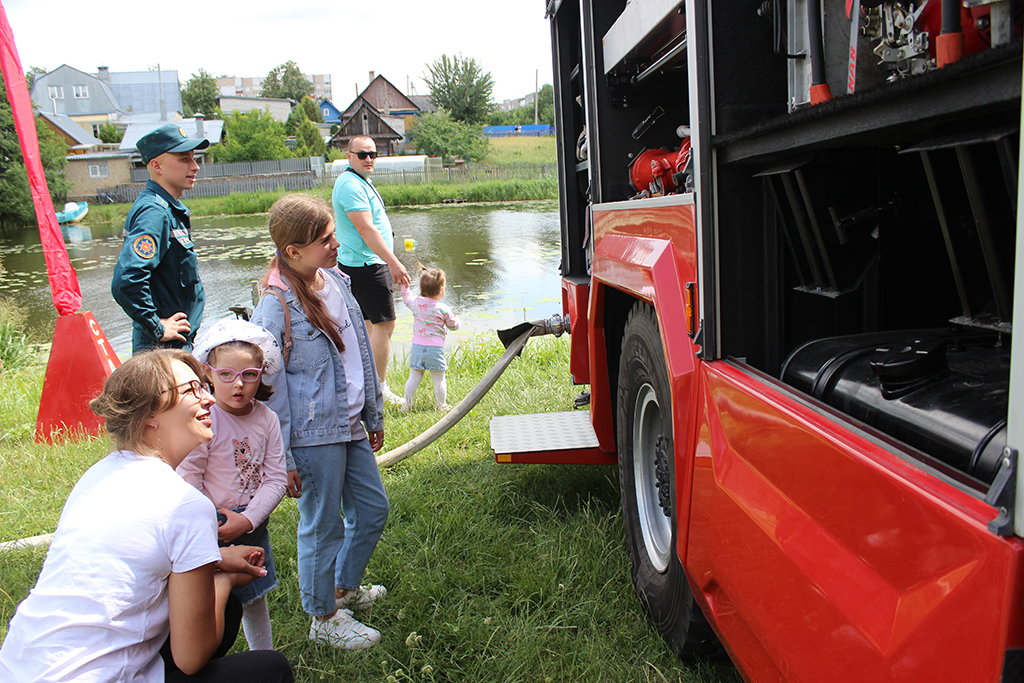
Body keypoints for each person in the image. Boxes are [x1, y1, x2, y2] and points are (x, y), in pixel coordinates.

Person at [0, 350, 294, 683]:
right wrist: (224, 580)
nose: (209, 399)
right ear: (150, 414)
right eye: (190, 391)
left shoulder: (100, 475)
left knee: (219, 609)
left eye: (203, 387)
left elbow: (134, 560)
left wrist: (219, 557)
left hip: (18, 668)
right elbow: (191, 658)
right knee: (271, 669)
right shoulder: (185, 504)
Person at [250, 194, 390, 650]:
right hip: (312, 437)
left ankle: (343, 588)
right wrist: (284, 455)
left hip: (349, 424)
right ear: (293, 252)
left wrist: (372, 411)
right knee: (323, 523)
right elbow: (270, 392)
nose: (335, 244)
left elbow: (360, 354)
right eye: (325, 239)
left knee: (372, 510)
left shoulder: (335, 280)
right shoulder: (276, 306)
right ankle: (323, 617)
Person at [177, 318, 288, 651]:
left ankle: (262, 656)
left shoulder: (267, 419)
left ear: (262, 373)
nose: (237, 385)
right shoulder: (205, 420)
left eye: (248, 376)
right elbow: (189, 477)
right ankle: (204, 654)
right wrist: (210, 520)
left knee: (254, 597)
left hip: (252, 522)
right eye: (226, 375)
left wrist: (250, 518)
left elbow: (276, 477)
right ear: (208, 373)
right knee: (206, 595)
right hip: (210, 525)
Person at [112, 122, 209, 354]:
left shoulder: (167, 208)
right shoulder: (155, 212)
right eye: (184, 159)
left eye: (193, 158)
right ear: (156, 165)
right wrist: (156, 326)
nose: (195, 166)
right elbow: (126, 279)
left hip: (175, 345)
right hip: (162, 349)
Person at [332, 134, 410, 405]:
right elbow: (365, 229)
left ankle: (367, 385)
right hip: (367, 265)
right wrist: (393, 261)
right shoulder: (350, 185)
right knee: (385, 325)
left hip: (361, 264)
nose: (368, 159)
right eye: (362, 154)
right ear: (349, 156)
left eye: (372, 154)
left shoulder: (358, 181)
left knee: (367, 327)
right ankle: (380, 389)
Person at [400, 266, 461, 412]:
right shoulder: (443, 308)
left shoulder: (417, 303)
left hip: (417, 347)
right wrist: (458, 320)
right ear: (441, 290)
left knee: (414, 377)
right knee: (439, 379)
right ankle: (442, 405)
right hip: (435, 349)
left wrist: (404, 285)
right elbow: (453, 326)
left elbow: (406, 298)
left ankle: (407, 404)